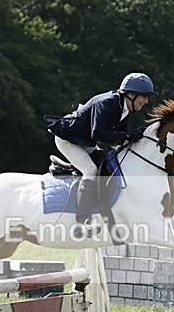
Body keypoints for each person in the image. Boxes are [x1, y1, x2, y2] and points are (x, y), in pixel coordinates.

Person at [46, 72, 157, 235]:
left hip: (84, 141)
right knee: (90, 171)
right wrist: (127, 136)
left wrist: (137, 138)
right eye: (144, 96)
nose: (146, 101)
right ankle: (81, 223)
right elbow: (97, 133)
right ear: (131, 94)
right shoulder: (108, 103)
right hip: (68, 139)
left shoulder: (126, 109)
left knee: (106, 163)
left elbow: (117, 138)